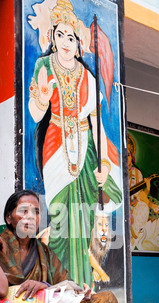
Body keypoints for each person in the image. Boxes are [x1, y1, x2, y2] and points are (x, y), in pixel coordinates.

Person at [28, 0, 122, 288]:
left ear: (78, 43)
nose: (66, 42)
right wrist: (42, 98)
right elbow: (34, 113)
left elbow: (97, 127)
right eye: (61, 35)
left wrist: (104, 163)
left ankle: (82, 285)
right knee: (59, 218)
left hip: (86, 150)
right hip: (55, 146)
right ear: (52, 39)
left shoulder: (88, 77)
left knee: (82, 221)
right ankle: (56, 283)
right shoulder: (44, 65)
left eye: (71, 37)